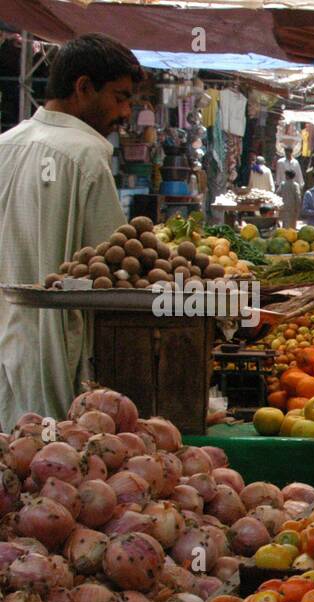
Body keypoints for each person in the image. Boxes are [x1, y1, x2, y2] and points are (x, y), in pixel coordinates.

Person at [0, 33, 141, 426]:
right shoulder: (88, 154)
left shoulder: (4, 145)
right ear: (83, 88)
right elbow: (114, 269)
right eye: (120, 97)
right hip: (55, 354)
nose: (126, 112)